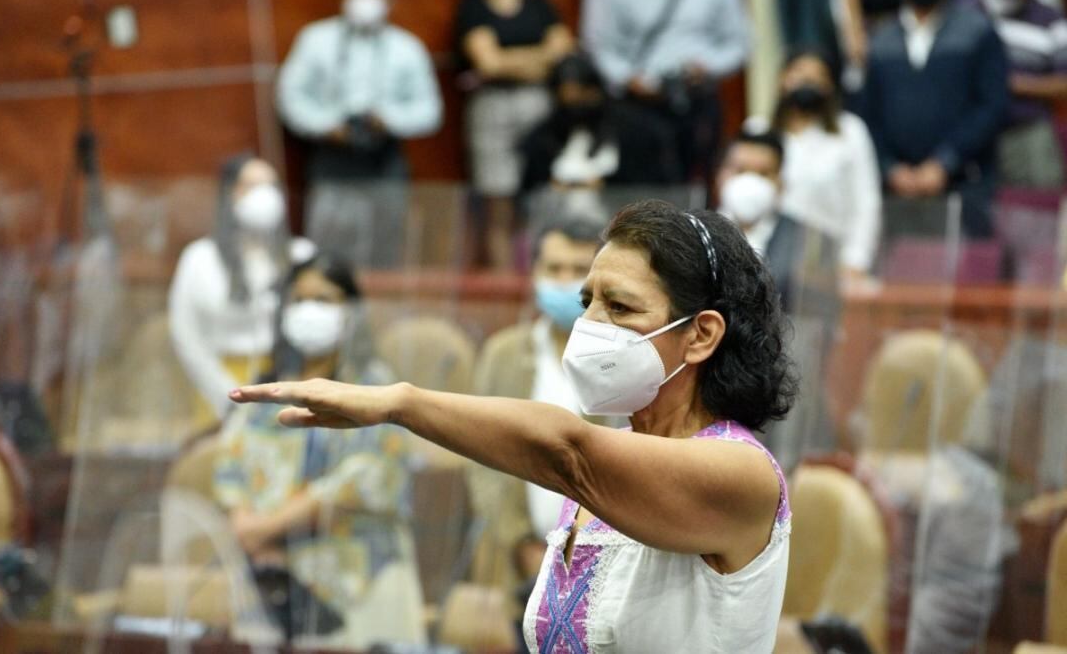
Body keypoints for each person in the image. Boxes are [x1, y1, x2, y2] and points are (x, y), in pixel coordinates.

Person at [231, 200, 798, 653]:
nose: (590, 324)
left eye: (620, 308)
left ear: (700, 334)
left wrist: (400, 403)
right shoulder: (594, 479)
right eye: (588, 302)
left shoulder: (740, 471)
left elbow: (567, 452)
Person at [214, 252, 424, 649]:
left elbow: (362, 479)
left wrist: (265, 529)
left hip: (356, 582)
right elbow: (229, 466)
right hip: (269, 573)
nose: (310, 310)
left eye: (324, 301)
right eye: (300, 300)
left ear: (351, 312)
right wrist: (247, 529)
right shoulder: (267, 388)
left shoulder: (376, 388)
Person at [467, 213, 607, 635]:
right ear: (534, 274)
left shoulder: (621, 358)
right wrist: (522, 543)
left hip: (602, 562)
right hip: (515, 561)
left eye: (579, 270)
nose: (565, 281)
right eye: (553, 269)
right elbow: (480, 456)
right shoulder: (504, 353)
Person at [277, 0, 442, 267]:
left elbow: (430, 111)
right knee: (328, 253)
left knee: (385, 251)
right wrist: (326, 125)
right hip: (332, 156)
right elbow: (290, 97)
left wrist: (388, 120)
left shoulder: (406, 47)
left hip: (384, 158)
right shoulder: (316, 39)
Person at [169, 154, 313, 427]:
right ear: (229, 193)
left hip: (287, 384)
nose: (265, 196)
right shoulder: (200, 258)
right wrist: (227, 396)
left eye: (272, 186)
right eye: (252, 186)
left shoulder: (301, 255)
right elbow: (186, 335)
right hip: (217, 387)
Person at [861, 0, 1009, 239]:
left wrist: (945, 162)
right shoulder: (880, 39)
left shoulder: (978, 31)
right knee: (903, 271)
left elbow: (991, 106)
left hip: (966, 184)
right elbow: (868, 115)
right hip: (897, 192)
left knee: (966, 272)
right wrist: (890, 168)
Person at [456, 0, 575, 269]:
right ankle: (503, 285)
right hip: (493, 106)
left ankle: (551, 275)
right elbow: (488, 63)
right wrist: (539, 58)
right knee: (499, 205)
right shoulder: (473, 7)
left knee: (548, 198)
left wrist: (507, 59)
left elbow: (564, 50)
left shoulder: (539, 4)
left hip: (541, 104)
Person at [580, 0, 751, 181]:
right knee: (639, 190)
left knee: (699, 187)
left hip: (697, 103)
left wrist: (709, 67)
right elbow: (599, 45)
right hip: (635, 108)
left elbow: (739, 43)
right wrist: (627, 77)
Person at [773, 49, 881, 283]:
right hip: (769, 264)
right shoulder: (759, 131)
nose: (807, 82)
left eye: (817, 77)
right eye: (800, 74)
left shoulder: (850, 131)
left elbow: (866, 201)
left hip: (832, 264)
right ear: (782, 79)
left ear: (830, 86)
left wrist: (856, 259)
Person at [519, 53, 680, 198]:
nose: (577, 108)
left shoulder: (636, 130)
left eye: (583, 98)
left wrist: (607, 184)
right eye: (568, 103)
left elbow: (653, 183)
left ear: (596, 90)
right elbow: (532, 187)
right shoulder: (544, 137)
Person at [716, 126, 837, 312]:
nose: (749, 182)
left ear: (781, 182)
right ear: (720, 175)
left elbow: (817, 317)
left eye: (763, 173)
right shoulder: (692, 234)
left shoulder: (808, 241)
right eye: (740, 171)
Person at [959, 0, 1067, 189]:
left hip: (1027, 131)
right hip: (973, 135)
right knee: (976, 211)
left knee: (1040, 207)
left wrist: (1018, 84)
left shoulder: (1050, 18)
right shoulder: (964, 13)